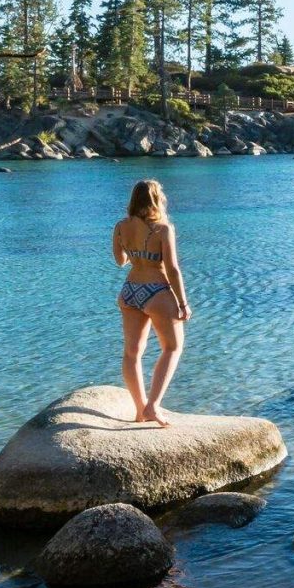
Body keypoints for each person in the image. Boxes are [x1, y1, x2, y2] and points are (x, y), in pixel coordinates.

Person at [112, 180, 189, 425]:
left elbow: (120, 261)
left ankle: (139, 409)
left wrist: (134, 250)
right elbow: (173, 269)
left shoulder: (121, 226)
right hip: (157, 290)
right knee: (173, 347)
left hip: (130, 291)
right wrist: (183, 303)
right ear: (157, 200)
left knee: (132, 353)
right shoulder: (163, 229)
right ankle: (153, 407)